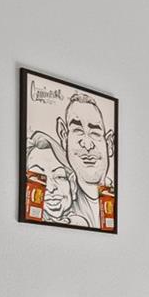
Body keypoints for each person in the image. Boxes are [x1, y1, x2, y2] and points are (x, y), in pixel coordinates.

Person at [53, 92, 113, 229]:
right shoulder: (59, 204)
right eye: (78, 130)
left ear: (109, 144)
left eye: (95, 133)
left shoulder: (120, 202)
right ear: (63, 136)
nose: (87, 145)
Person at [24, 131, 88, 226]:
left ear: (73, 185)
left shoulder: (79, 223)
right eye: (38, 177)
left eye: (59, 176)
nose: (50, 187)